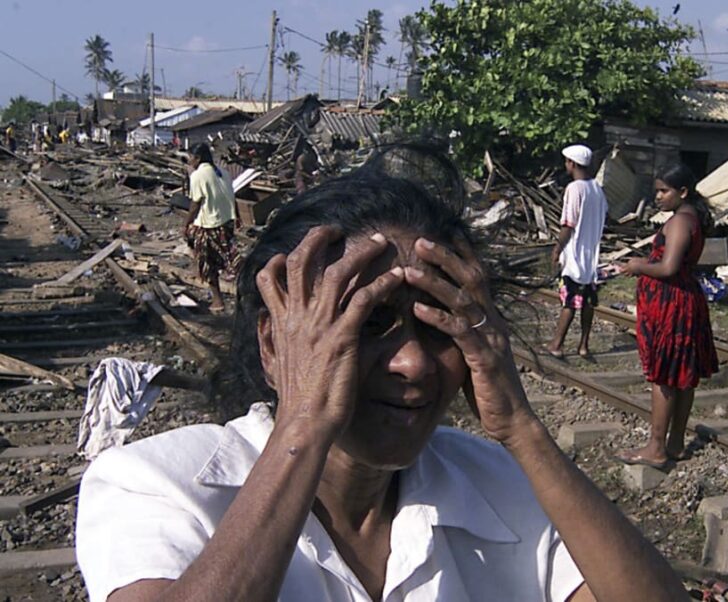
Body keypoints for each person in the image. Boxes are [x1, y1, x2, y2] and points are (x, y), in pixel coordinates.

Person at [75, 144, 687, 602]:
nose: (415, 362)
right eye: (366, 325)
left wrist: (523, 429)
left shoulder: (500, 484)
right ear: (274, 344)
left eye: (439, 324)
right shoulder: (157, 485)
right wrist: (306, 424)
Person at [615, 164, 718, 468]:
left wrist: (638, 266)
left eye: (664, 191)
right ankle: (674, 443)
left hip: (671, 303)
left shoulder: (678, 223)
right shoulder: (692, 219)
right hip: (685, 299)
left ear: (682, 192)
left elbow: (668, 268)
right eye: (657, 190)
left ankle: (655, 447)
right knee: (684, 375)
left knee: (664, 376)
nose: (657, 197)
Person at [546, 144, 607, 359]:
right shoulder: (597, 189)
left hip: (574, 255)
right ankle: (583, 345)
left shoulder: (574, 189)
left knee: (569, 301)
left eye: (566, 162)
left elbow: (568, 224)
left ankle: (557, 344)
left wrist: (557, 248)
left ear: (571, 163)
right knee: (588, 301)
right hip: (591, 255)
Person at [183, 143, 240, 313]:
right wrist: (237, 216)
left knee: (207, 264)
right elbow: (232, 196)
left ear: (198, 158)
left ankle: (217, 300)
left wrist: (186, 223)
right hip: (226, 223)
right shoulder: (224, 173)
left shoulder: (198, 175)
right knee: (228, 258)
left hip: (209, 226)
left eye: (190, 158)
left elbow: (195, 204)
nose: (189, 161)